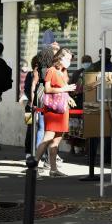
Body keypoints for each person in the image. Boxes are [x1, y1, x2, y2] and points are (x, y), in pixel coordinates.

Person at [34, 48, 76, 177]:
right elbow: (47, 89)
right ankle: (33, 166)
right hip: (53, 110)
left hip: (62, 109)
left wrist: (68, 96)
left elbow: (62, 90)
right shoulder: (51, 70)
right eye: (67, 58)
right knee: (47, 138)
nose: (69, 61)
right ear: (60, 58)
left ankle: (53, 169)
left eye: (70, 59)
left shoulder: (64, 71)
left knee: (56, 141)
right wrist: (65, 88)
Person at [24, 46, 54, 160]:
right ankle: (39, 154)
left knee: (29, 128)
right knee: (41, 128)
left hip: (28, 106)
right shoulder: (46, 72)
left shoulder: (30, 74)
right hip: (37, 106)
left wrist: (31, 102)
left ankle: (28, 152)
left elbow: (27, 90)